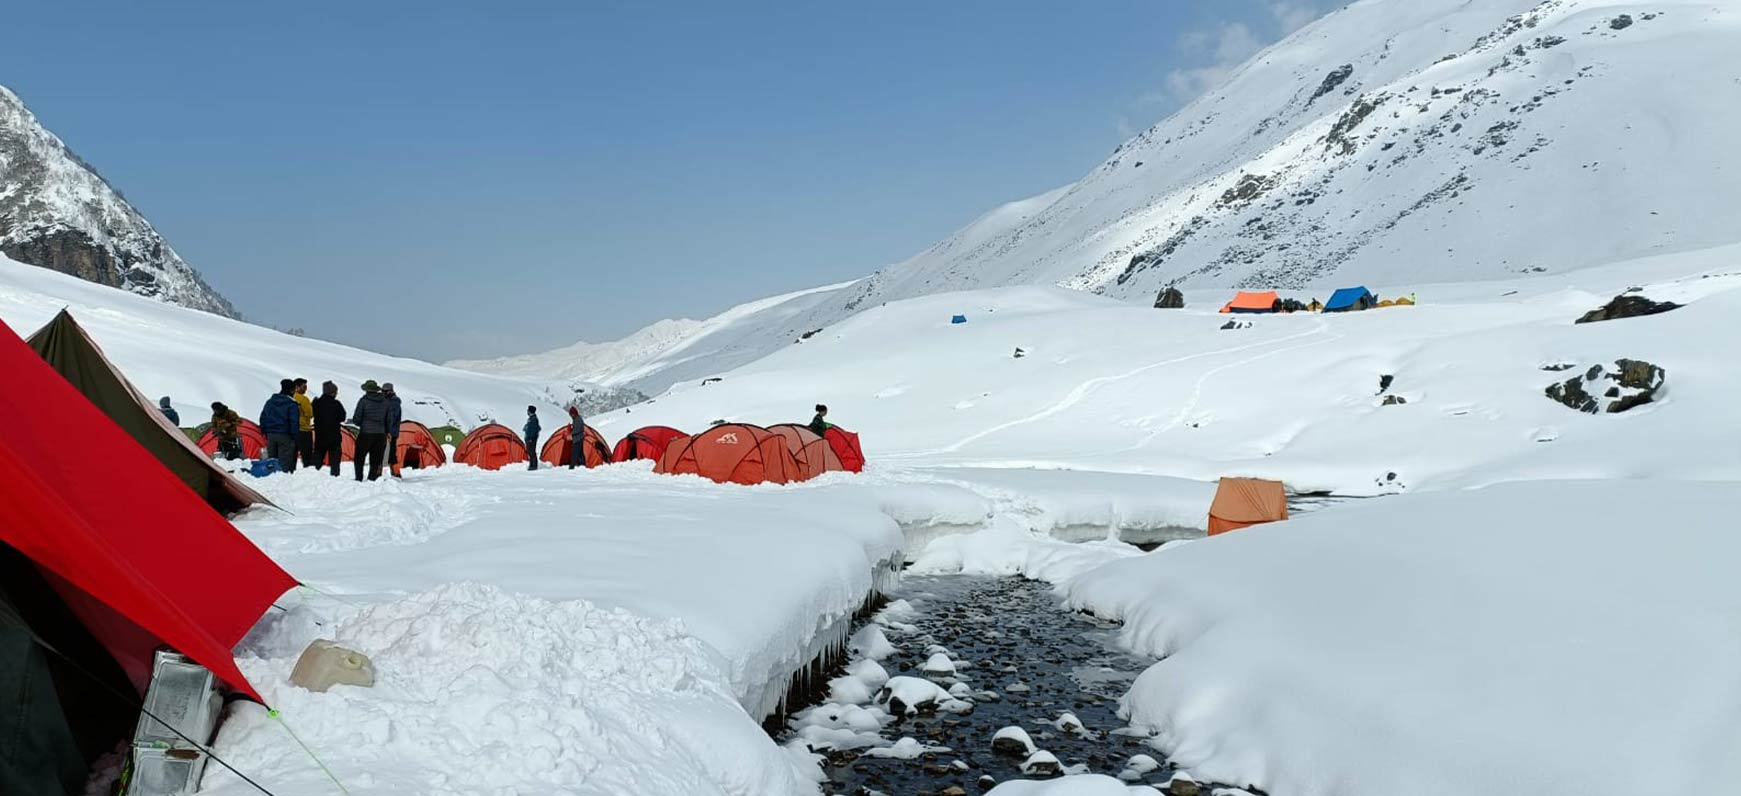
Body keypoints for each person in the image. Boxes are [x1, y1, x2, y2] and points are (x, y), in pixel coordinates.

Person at [350, 380, 390, 481]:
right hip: (380, 434)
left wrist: (363, 424)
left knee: (359, 457)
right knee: (376, 459)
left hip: (366, 433)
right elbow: (389, 419)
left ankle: (358, 478)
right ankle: (372, 479)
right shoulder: (385, 402)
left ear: (367, 390)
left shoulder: (363, 401)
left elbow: (356, 419)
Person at [259, 379, 301, 473]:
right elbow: (294, 422)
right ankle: (283, 482)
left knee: (272, 461)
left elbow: (263, 417)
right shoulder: (292, 404)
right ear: (291, 390)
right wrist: (296, 437)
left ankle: (270, 481)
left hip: (271, 435)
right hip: (286, 436)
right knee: (284, 463)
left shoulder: (270, 402)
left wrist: (264, 431)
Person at [311, 381, 346, 477]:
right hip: (334, 438)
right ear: (333, 392)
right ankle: (335, 479)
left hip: (320, 437)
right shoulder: (336, 404)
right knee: (335, 464)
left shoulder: (316, 403)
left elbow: (311, 414)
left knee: (316, 462)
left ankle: (312, 479)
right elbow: (342, 417)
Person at [293, 378, 316, 468]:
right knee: (307, 454)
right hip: (304, 429)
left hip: (292, 430)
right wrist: (312, 406)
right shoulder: (303, 399)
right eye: (304, 386)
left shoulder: (291, 397)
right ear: (297, 387)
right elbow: (310, 414)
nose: (306, 389)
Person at [383, 383, 404, 478]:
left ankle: (395, 473)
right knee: (390, 452)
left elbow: (392, 417)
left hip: (391, 432)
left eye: (384, 391)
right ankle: (395, 472)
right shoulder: (391, 401)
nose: (383, 393)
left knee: (390, 453)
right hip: (391, 431)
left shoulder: (394, 403)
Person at [524, 405, 542, 471]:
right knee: (530, 452)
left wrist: (531, 438)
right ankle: (532, 465)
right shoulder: (531, 419)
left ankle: (534, 466)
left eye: (528, 410)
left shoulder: (534, 419)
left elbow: (534, 429)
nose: (527, 412)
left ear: (530, 411)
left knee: (532, 452)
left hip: (531, 439)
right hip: (529, 438)